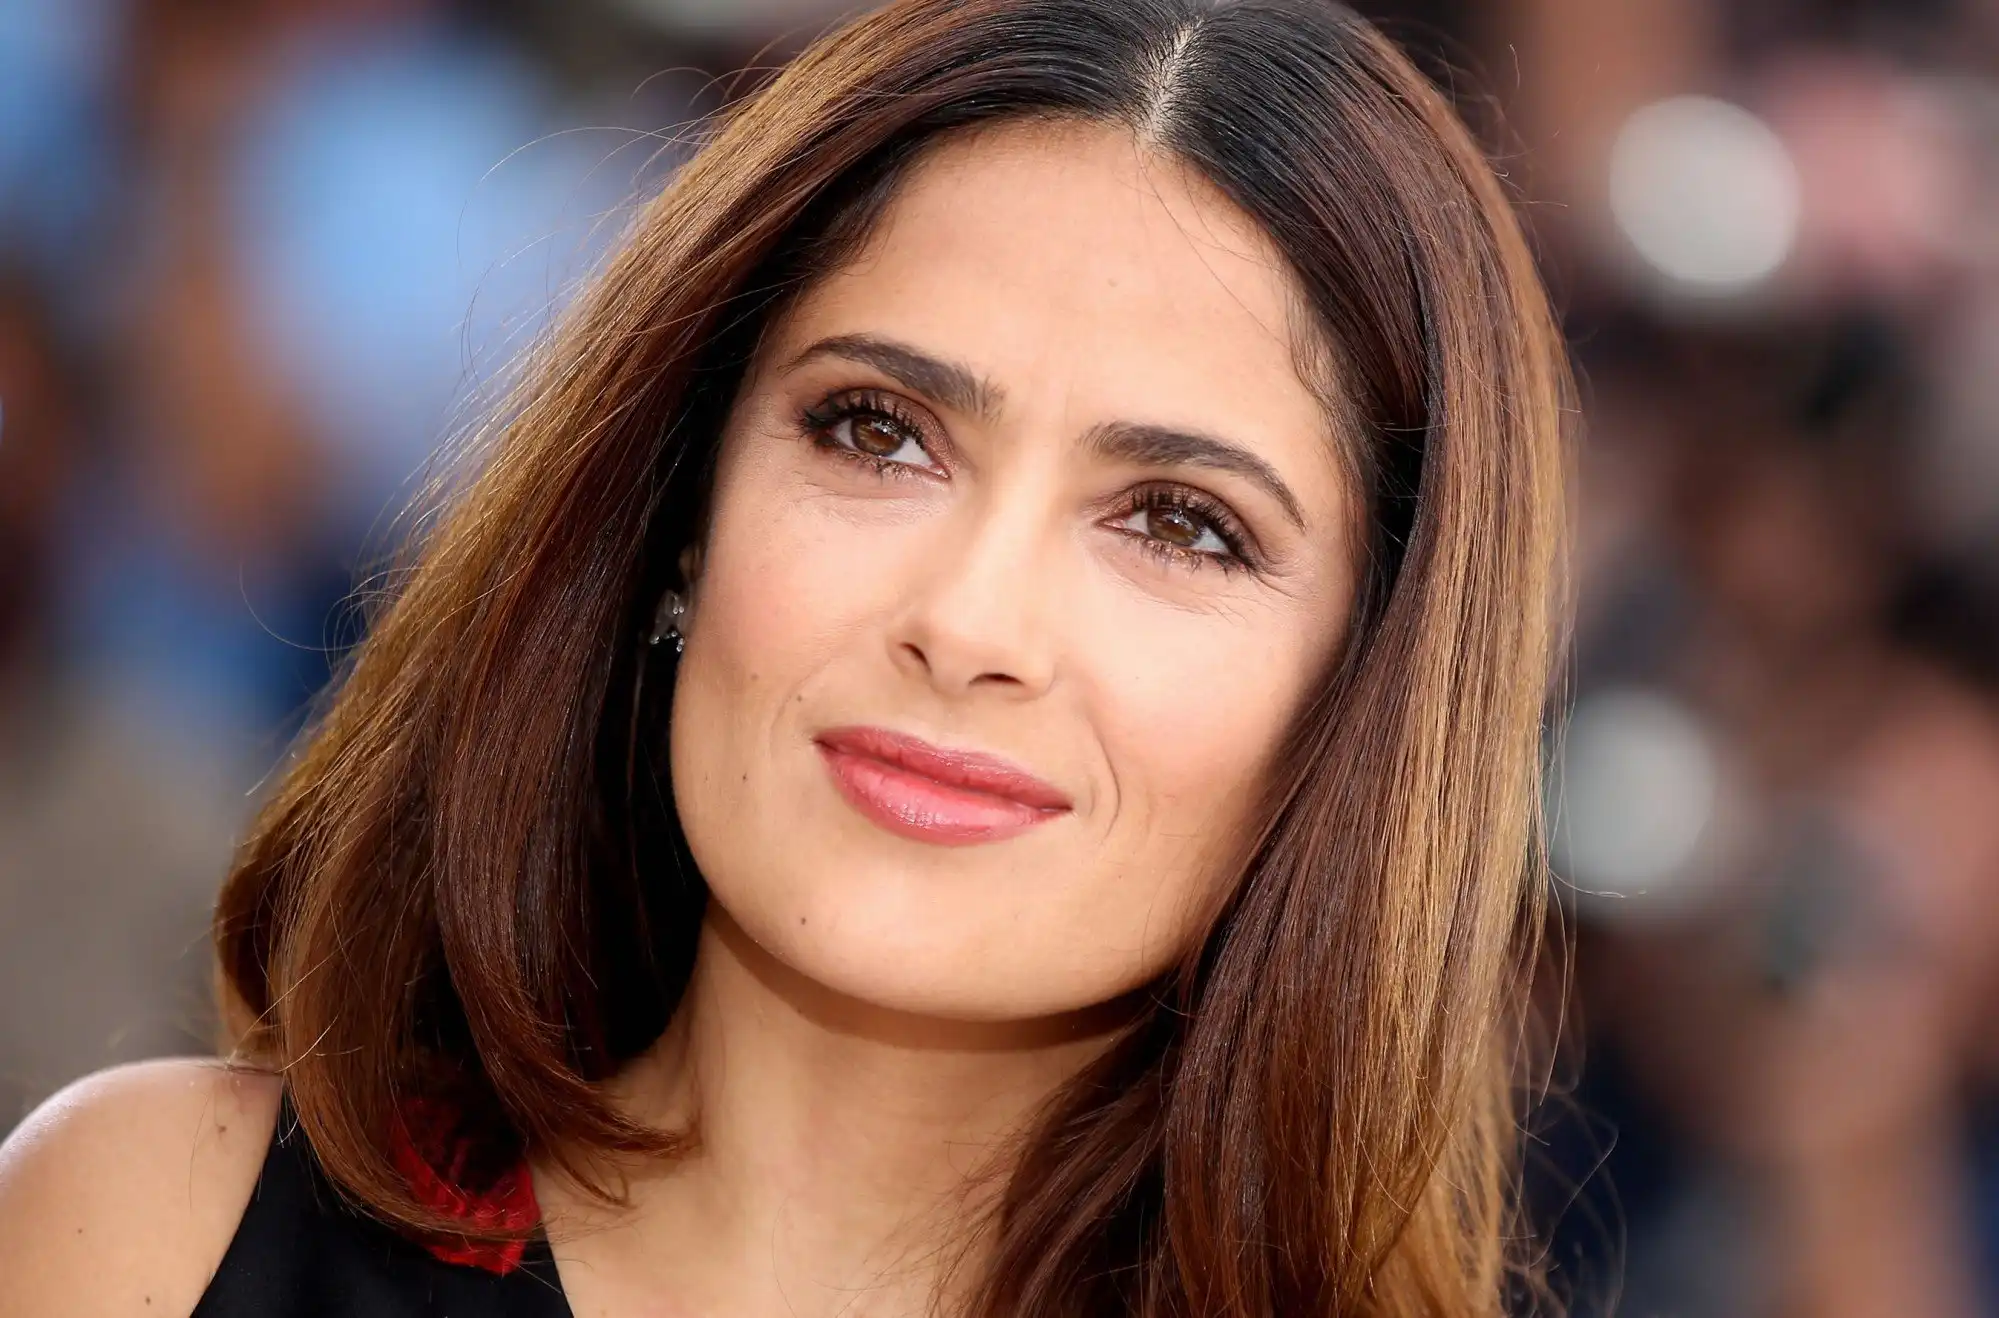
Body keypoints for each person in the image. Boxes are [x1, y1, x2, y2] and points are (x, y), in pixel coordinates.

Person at [0, 0, 1569, 1313]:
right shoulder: (149, 1232)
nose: (968, 620)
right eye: (877, 432)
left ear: (1356, 698)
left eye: (1179, 524)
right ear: (681, 511)